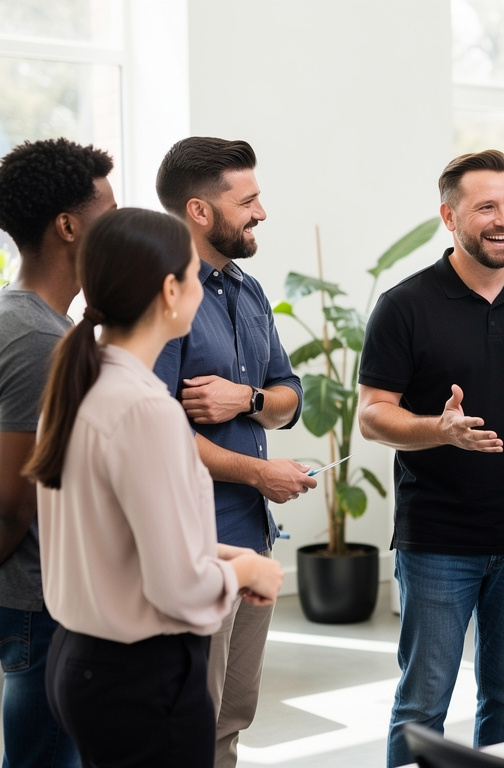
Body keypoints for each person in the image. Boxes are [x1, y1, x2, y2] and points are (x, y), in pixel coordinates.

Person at [357, 149, 504, 768]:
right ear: (450, 216)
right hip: (439, 537)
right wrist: (439, 431)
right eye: (486, 206)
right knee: (423, 704)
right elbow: (372, 413)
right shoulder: (405, 305)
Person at [24, 207, 284, 768]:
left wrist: (222, 552)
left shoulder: (78, 382)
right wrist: (246, 571)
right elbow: (179, 587)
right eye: (194, 275)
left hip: (82, 662)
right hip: (141, 676)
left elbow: (118, 540)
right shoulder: (147, 410)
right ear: (171, 291)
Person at [153, 137, 316, 766]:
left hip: (251, 535)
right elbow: (157, 435)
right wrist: (261, 471)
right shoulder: (162, 299)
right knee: (187, 722)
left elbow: (289, 396)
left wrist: (243, 400)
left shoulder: (246, 291)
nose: (261, 212)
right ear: (199, 211)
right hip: (196, 543)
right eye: (247, 200)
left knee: (231, 715)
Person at [0, 137, 117, 768]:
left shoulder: (48, 328)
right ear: (69, 227)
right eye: (110, 212)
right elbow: (11, 501)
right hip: (38, 603)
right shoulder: (34, 337)